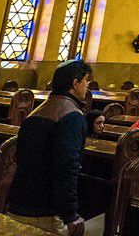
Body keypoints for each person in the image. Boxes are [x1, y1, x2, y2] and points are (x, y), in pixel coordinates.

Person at [7, 59, 92, 236]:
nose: (87, 86)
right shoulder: (72, 117)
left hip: (19, 201)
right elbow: (67, 166)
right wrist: (70, 214)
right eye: (86, 81)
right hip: (44, 211)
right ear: (75, 83)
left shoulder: (36, 112)